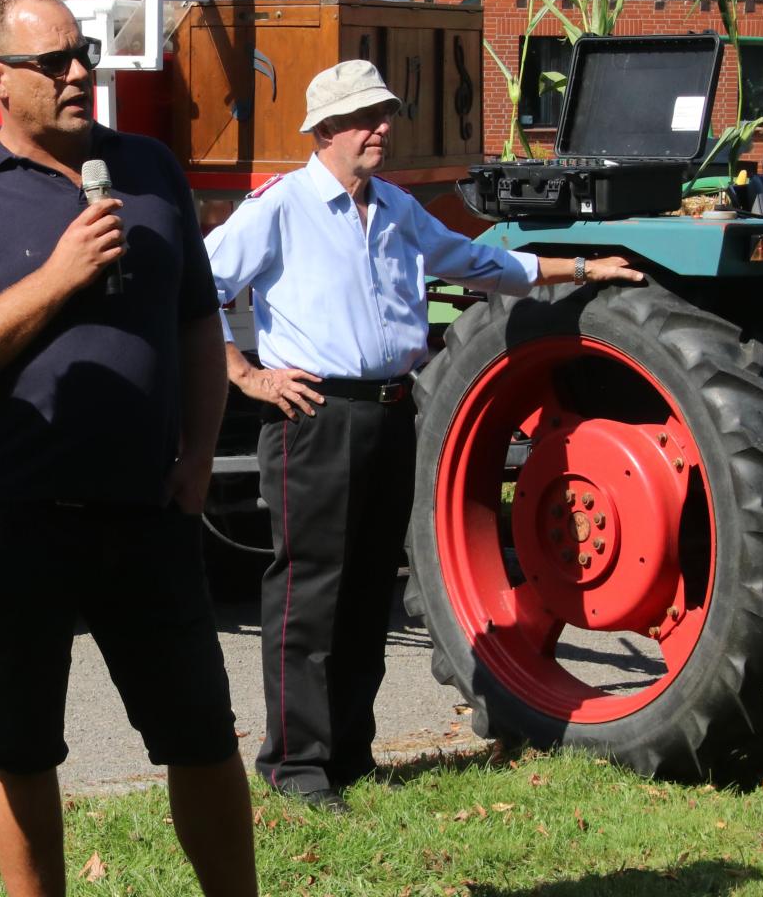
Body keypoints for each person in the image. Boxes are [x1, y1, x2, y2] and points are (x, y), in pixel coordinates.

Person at [204, 60, 644, 811]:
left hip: (387, 411)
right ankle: (293, 768)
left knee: (370, 588)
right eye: (366, 116)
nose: (382, 127)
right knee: (309, 598)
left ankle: (348, 753)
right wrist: (245, 375)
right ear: (326, 130)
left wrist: (580, 267)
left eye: (385, 114)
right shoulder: (278, 208)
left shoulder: (396, 208)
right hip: (313, 416)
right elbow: (197, 288)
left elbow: (481, 263)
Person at [0, 0, 256, 897]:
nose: (76, 74)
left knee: (202, 733)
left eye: (81, 55)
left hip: (149, 508)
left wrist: (197, 454)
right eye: (51, 62)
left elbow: (194, 326)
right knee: (20, 741)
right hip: (18, 514)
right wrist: (59, 278)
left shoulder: (148, 169)